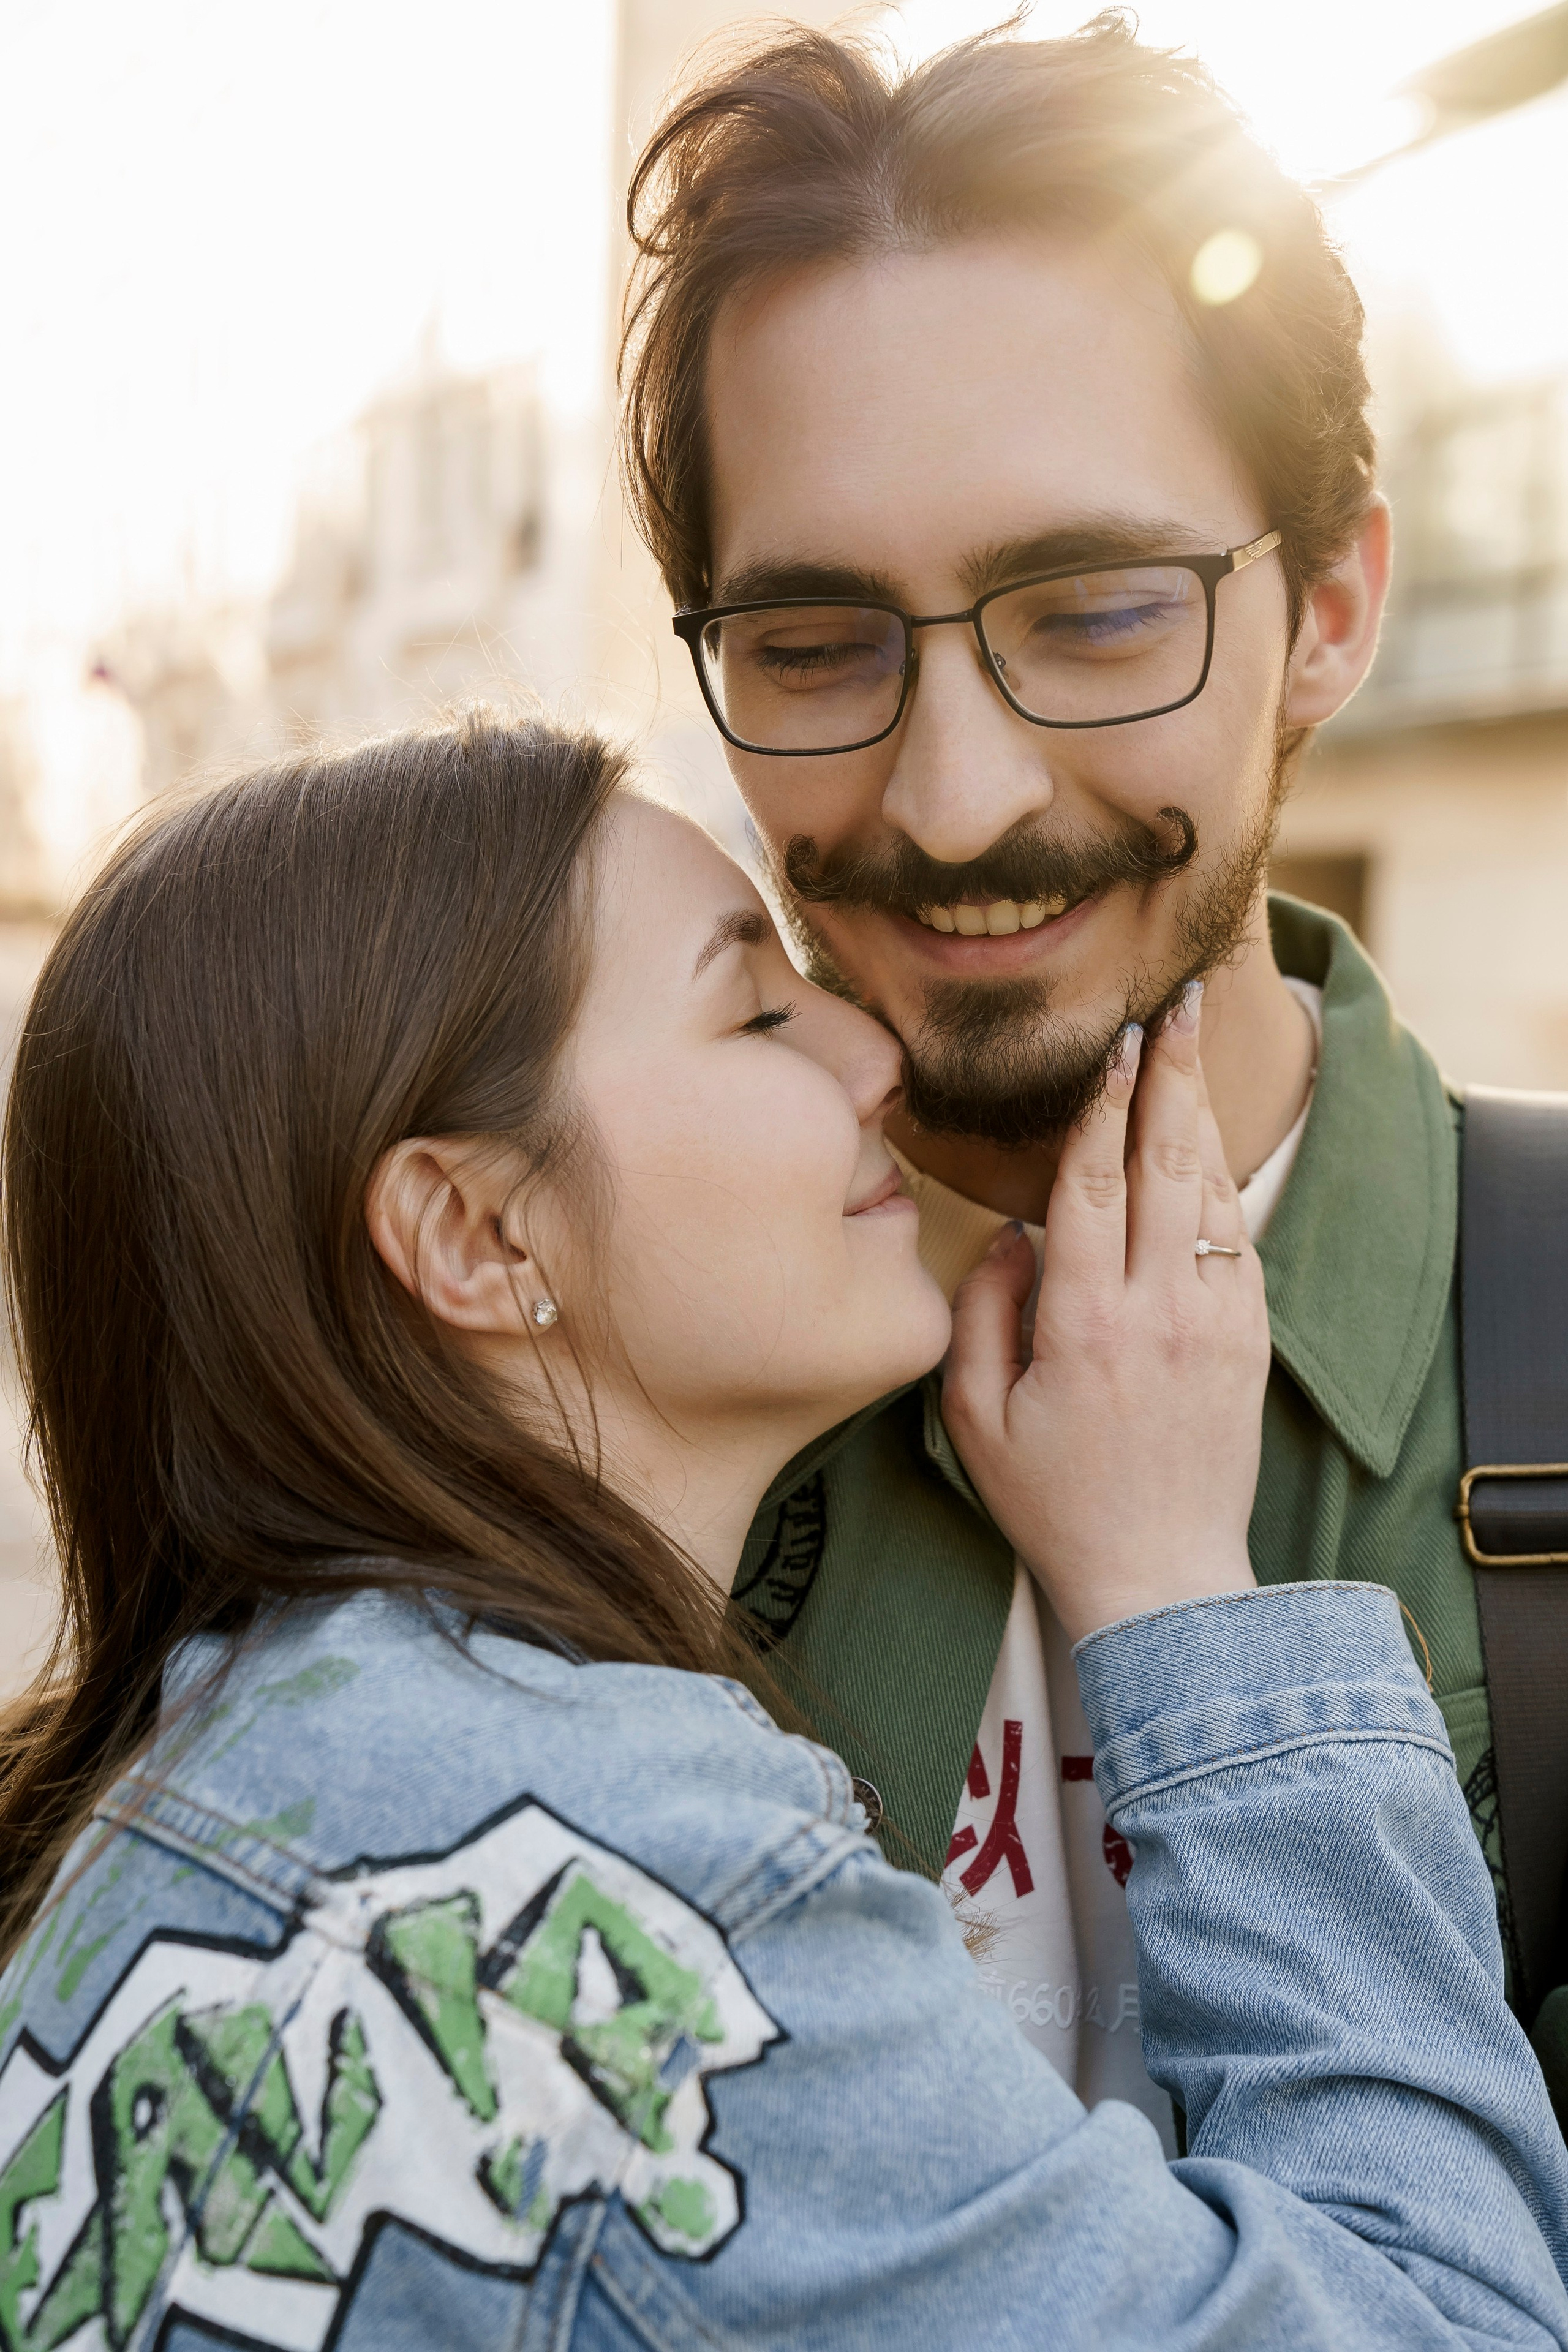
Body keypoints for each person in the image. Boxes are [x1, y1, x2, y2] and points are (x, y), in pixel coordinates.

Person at [0, 709, 1564, 2349]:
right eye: (753, 1009)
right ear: (474, 1232)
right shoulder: (604, 1894)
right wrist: (1177, 1581)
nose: (876, 1050)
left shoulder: (154, 1830)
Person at [616, 12, 1559, 2137]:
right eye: (813, 647)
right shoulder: (543, 1396)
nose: (951, 806)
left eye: (1101, 611)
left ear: (1330, 607)